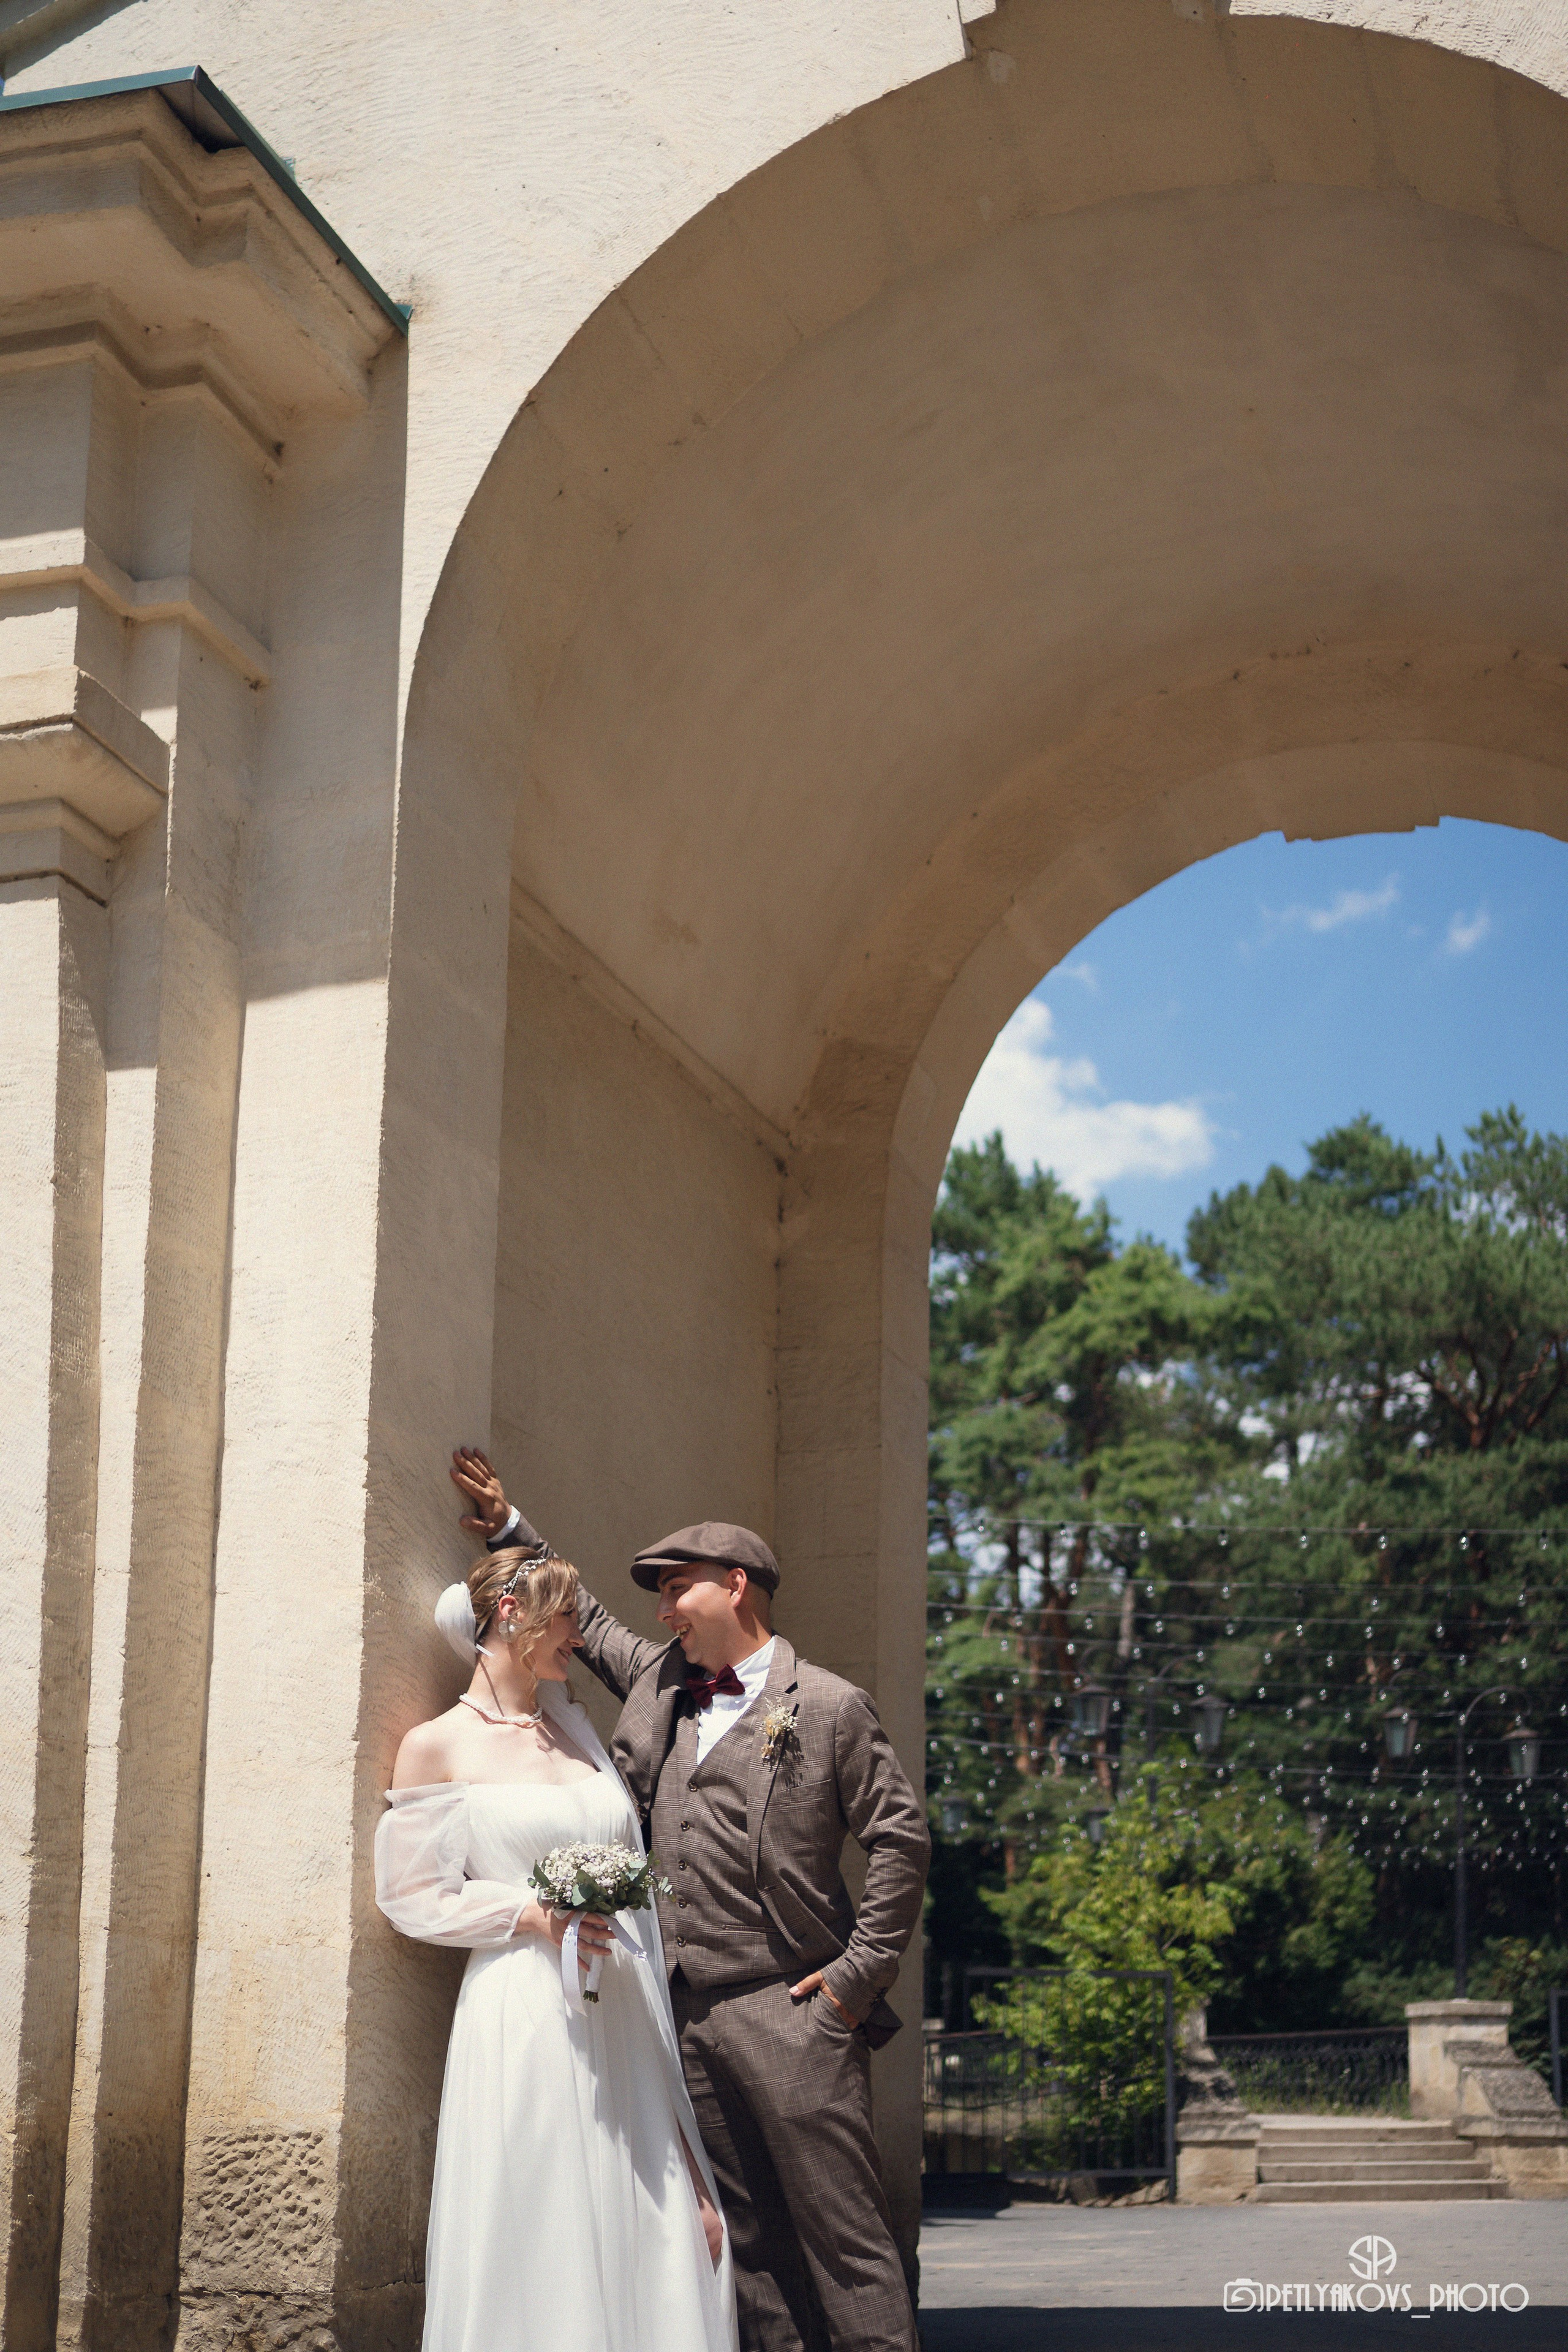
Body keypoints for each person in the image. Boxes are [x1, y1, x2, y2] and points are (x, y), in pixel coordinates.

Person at [450, 1447, 930, 2352]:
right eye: (659, 1596)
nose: (663, 1609)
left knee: (848, 2247)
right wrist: (513, 1531)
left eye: (679, 1589)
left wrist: (854, 1982)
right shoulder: (662, 1681)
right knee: (748, 2257)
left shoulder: (827, 1706)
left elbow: (902, 1839)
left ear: (737, 1586)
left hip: (796, 2012)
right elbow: (581, 1619)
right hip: (684, 2019)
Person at [375, 1540, 737, 2352]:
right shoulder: (438, 1746)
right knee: (541, 2216)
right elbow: (411, 1896)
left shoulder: (575, 1737)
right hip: (525, 2011)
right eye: (567, 1615)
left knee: (664, 2220)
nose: (578, 1631)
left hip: (621, 2010)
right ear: (512, 1614)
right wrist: (533, 1917)